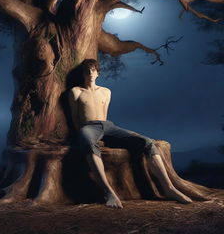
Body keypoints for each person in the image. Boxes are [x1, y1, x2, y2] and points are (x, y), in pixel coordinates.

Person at [68, 59, 192, 208]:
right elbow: (75, 118)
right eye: (87, 70)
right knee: (88, 143)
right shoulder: (75, 91)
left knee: (147, 142)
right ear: (82, 73)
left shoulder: (106, 92)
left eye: (93, 70)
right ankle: (109, 193)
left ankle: (169, 188)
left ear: (98, 73)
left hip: (108, 126)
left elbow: (105, 115)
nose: (90, 73)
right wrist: (82, 134)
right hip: (88, 127)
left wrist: (105, 134)